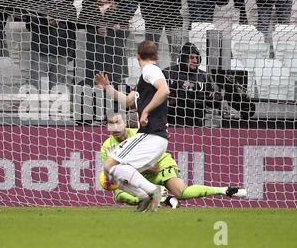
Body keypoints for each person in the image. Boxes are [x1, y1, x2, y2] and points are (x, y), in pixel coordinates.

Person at [99, 113, 247, 207]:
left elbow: (154, 166)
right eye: (111, 124)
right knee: (119, 195)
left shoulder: (139, 135)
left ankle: (224, 190)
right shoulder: (106, 148)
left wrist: (128, 168)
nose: (116, 128)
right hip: (139, 175)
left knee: (182, 193)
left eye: (118, 122)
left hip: (159, 164)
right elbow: (115, 176)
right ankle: (160, 199)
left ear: (125, 122)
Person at [94, 40, 170, 212]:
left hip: (151, 135)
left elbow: (164, 90)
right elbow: (128, 101)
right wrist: (107, 87)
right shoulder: (144, 82)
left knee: (109, 166)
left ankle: (152, 191)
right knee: (113, 169)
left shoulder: (150, 70)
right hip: (154, 138)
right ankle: (143, 197)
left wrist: (146, 112)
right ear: (157, 56)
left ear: (137, 57)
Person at [162, 42, 218, 127]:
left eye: (197, 58)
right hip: (173, 124)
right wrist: (176, 89)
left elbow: (213, 103)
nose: (195, 61)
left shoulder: (204, 76)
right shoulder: (169, 73)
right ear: (183, 58)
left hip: (197, 126)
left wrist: (213, 97)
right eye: (191, 58)